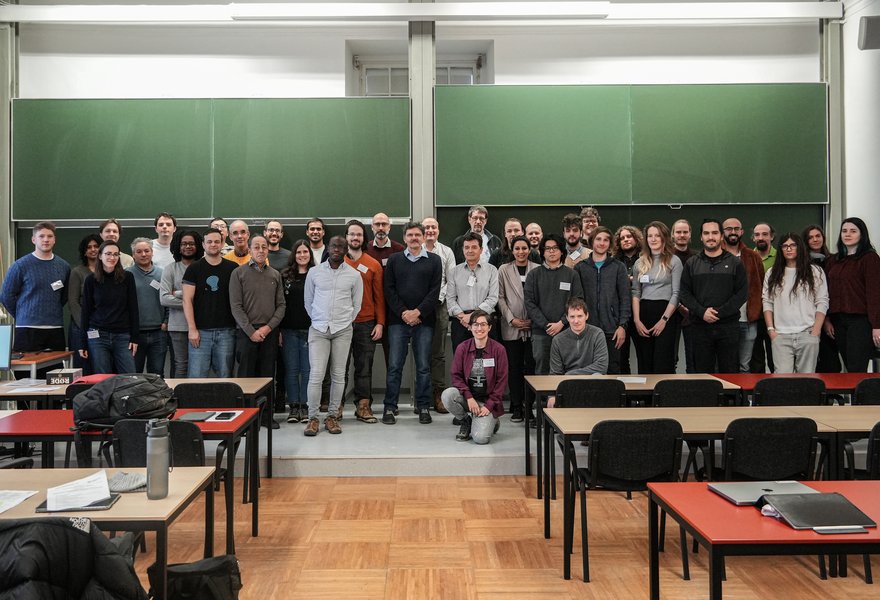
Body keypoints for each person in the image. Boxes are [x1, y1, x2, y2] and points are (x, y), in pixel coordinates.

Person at [381, 222, 442, 425]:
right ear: (404, 238)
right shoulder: (394, 260)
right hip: (398, 322)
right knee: (395, 366)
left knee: (424, 366)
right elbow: (388, 289)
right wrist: (404, 312)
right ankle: (390, 407)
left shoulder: (435, 260)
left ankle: (423, 406)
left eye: (418, 234)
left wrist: (418, 312)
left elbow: (435, 292)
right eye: (410, 235)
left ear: (424, 237)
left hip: (424, 321)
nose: (414, 238)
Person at [302, 236, 363, 436]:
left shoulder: (354, 275)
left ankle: (332, 417)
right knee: (317, 375)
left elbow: (357, 305)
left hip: (343, 330)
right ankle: (312, 418)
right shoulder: (314, 273)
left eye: (341, 247)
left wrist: (343, 321)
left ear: (346, 250)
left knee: (338, 376)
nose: (337, 249)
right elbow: (308, 301)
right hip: (318, 330)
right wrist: (320, 320)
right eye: (334, 246)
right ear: (329, 248)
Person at [679, 219, 748, 373]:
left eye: (715, 233)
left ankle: (729, 398)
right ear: (701, 237)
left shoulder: (734, 263)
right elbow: (684, 293)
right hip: (699, 327)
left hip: (728, 327)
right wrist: (702, 312)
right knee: (703, 374)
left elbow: (742, 293)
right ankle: (706, 399)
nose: (711, 237)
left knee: (730, 373)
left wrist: (720, 313)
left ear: (721, 236)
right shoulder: (692, 263)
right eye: (706, 233)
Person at [0, 221, 70, 354]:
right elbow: (6, 296)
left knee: (54, 372)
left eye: (50, 236)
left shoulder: (64, 266)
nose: (46, 240)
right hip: (27, 329)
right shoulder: (20, 266)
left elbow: (64, 296)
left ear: (54, 240)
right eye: (41, 236)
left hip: (55, 328)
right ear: (33, 239)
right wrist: (22, 314)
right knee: (27, 373)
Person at [762, 233, 828, 373]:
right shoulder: (772, 273)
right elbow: (767, 302)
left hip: (807, 334)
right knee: (782, 380)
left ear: (800, 248)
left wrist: (816, 331)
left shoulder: (815, 271)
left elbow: (822, 302)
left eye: (793, 245)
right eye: (785, 246)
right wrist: (771, 330)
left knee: (807, 381)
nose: (789, 249)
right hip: (781, 335)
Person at [442, 310, 509, 444]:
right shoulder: (462, 348)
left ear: (489, 327)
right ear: (470, 327)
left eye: (483, 324)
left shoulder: (499, 350)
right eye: (475, 324)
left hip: (487, 401)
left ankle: (493, 421)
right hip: (468, 399)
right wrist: (469, 397)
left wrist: (489, 406)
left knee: (480, 439)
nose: (479, 328)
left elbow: (502, 382)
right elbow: (456, 376)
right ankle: (466, 421)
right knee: (447, 395)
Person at [342, 221, 386, 422]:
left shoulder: (373, 264)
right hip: (341, 323)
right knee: (339, 367)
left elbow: (379, 297)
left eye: (358, 235)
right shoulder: (338, 262)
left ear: (363, 238)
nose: (355, 238)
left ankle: (363, 406)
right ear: (346, 237)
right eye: (351, 234)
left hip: (366, 323)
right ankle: (337, 407)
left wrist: (380, 323)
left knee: (364, 367)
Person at [824, 217, 880, 373]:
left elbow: (874, 293)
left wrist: (877, 325)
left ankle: (862, 398)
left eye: (853, 231)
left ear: (862, 235)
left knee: (857, 367)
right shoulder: (834, 260)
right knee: (848, 366)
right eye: (844, 231)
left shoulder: (869, 258)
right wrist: (827, 319)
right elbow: (826, 292)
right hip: (837, 320)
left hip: (860, 321)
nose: (847, 234)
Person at [524, 233, 584, 376]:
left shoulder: (571, 274)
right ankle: (544, 399)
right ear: (542, 252)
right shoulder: (533, 274)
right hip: (541, 332)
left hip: (567, 330)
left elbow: (577, 300)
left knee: (568, 368)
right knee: (542, 369)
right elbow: (529, 303)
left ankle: (565, 399)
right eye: (548, 248)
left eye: (555, 248)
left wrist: (562, 323)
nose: (551, 251)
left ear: (562, 251)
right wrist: (546, 325)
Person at [182, 228, 238, 378]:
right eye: (209, 242)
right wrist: (192, 329)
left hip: (227, 332)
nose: (213, 244)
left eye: (217, 241)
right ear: (203, 244)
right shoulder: (194, 269)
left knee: (225, 377)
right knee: (196, 377)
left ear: (222, 244)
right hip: (200, 333)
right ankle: (195, 403)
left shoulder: (233, 268)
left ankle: (224, 403)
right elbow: (187, 300)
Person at [575, 226, 630, 374]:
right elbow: (577, 299)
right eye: (598, 239)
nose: (602, 243)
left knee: (613, 368)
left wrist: (622, 326)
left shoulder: (618, 267)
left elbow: (625, 298)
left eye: (606, 240)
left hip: (612, 329)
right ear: (592, 241)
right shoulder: (580, 268)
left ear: (610, 243)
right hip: (587, 329)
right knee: (587, 370)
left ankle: (613, 398)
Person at [230, 235, 286, 378]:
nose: (260, 251)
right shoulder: (238, 273)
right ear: (249, 250)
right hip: (246, 332)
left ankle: (267, 402)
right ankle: (246, 402)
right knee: (246, 377)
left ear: (268, 250)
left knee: (267, 377)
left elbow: (281, 305)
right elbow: (236, 306)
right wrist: (251, 332)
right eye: (256, 247)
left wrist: (268, 328)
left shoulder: (275, 275)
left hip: (269, 333)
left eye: (264, 247)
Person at [79, 240, 139, 374]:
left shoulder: (128, 277)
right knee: (102, 377)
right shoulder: (91, 280)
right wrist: (83, 342)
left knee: (130, 376)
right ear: (100, 256)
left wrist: (135, 337)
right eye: (108, 254)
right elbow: (86, 312)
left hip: (123, 335)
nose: (112, 258)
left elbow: (133, 308)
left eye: (116, 254)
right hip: (97, 335)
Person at [631, 221, 682, 374]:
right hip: (643, 314)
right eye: (650, 236)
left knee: (663, 361)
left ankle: (663, 397)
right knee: (645, 361)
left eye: (657, 236)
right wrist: (636, 320)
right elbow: (636, 292)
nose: (653, 239)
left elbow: (676, 294)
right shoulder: (639, 262)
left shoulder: (674, 261)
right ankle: (646, 398)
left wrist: (664, 320)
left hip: (666, 315)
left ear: (664, 238)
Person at [498, 235, 538, 422]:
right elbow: (500, 298)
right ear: (512, 250)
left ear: (529, 250)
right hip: (511, 327)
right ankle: (516, 406)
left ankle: (529, 406)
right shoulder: (504, 270)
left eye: (524, 248)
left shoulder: (537, 269)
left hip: (533, 326)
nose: (521, 252)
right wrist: (511, 319)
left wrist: (534, 319)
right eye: (517, 248)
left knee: (531, 367)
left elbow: (540, 298)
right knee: (514, 368)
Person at [547, 298, 609, 407]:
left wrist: (570, 375)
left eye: (580, 316)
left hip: (591, 383)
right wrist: (552, 396)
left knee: (598, 376)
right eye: (572, 317)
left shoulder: (597, 334)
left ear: (587, 316)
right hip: (568, 385)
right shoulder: (558, 340)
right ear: (567, 318)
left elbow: (601, 366)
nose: (576, 321)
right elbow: (555, 373)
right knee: (552, 402)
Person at [721, 218, 765, 373]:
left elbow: (760, 285)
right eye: (728, 229)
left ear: (742, 232)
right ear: (722, 232)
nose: (733, 232)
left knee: (745, 366)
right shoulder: (715, 254)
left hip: (748, 320)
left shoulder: (753, 256)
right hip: (724, 321)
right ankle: (726, 397)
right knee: (725, 365)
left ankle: (743, 397)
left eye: (736, 229)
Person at [423, 216, 456, 412]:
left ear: (438, 230)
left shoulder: (447, 252)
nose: (430, 230)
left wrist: (436, 299)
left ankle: (438, 393)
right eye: (426, 227)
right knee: (421, 352)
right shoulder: (413, 250)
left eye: (433, 227)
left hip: (439, 305)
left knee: (438, 353)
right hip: (418, 307)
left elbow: (450, 280)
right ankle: (422, 394)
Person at [279, 239, 314, 423]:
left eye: (305, 252)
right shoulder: (284, 276)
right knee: (291, 370)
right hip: (288, 330)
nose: (302, 255)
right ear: (294, 255)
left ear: (310, 254)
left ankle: (305, 406)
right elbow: (279, 304)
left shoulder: (316, 275)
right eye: (299, 252)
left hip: (311, 330)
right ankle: (293, 407)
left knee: (307, 370)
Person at [160, 230, 202, 378]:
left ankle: (197, 399)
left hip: (201, 326)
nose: (188, 246)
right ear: (178, 246)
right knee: (181, 365)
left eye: (191, 243)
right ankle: (181, 399)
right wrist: (191, 300)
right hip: (177, 327)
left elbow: (206, 297)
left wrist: (177, 293)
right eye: (184, 243)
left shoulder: (202, 267)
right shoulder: (170, 269)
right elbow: (164, 298)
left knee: (199, 366)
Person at [447, 232, 499, 351]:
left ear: (481, 249)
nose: (470, 250)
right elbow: (450, 299)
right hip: (461, 323)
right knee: (462, 360)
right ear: (463, 249)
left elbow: (493, 298)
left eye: (474, 247)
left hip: (485, 321)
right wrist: (463, 318)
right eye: (467, 247)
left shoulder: (492, 270)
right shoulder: (454, 272)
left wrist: (472, 317)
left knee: (487, 359)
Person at [802, 223, 840, 373]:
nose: (815, 240)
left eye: (818, 236)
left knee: (831, 361)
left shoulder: (834, 260)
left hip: (832, 314)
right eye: (810, 237)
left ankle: (832, 395)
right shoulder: (802, 264)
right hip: (811, 317)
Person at [127, 238, 167, 375]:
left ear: (152, 252)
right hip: (134, 335)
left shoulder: (162, 273)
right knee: (134, 374)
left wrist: (166, 321)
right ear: (133, 254)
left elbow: (167, 299)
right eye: (139, 251)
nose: (143, 254)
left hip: (158, 333)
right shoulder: (126, 274)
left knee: (156, 374)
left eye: (146, 251)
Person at [68, 233, 102, 374]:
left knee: (100, 365)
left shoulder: (107, 271)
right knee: (83, 366)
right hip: (80, 326)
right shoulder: (77, 272)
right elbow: (73, 301)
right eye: (89, 247)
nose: (93, 249)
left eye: (96, 246)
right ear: (84, 251)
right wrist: (84, 325)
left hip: (101, 325)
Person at [613, 225, 643, 374]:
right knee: (621, 357)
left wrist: (628, 279)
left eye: (629, 236)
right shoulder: (614, 262)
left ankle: (644, 395)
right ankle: (627, 396)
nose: (625, 240)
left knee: (643, 355)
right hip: (621, 315)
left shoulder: (646, 259)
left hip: (642, 313)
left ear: (636, 239)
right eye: (622, 238)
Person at [671, 219, 697, 374]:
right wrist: (679, 306)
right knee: (670, 358)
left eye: (685, 232)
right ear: (673, 235)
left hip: (692, 313)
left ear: (690, 235)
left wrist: (690, 307)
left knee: (693, 358)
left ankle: (694, 394)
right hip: (670, 312)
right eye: (678, 232)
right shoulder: (665, 256)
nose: (682, 235)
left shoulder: (697, 257)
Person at [751, 222, 777, 373]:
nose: (761, 238)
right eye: (757, 235)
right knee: (756, 360)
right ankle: (757, 395)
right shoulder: (747, 256)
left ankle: (775, 393)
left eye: (765, 234)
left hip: (776, 316)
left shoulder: (781, 257)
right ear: (753, 238)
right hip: (753, 316)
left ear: (771, 236)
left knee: (776, 359)